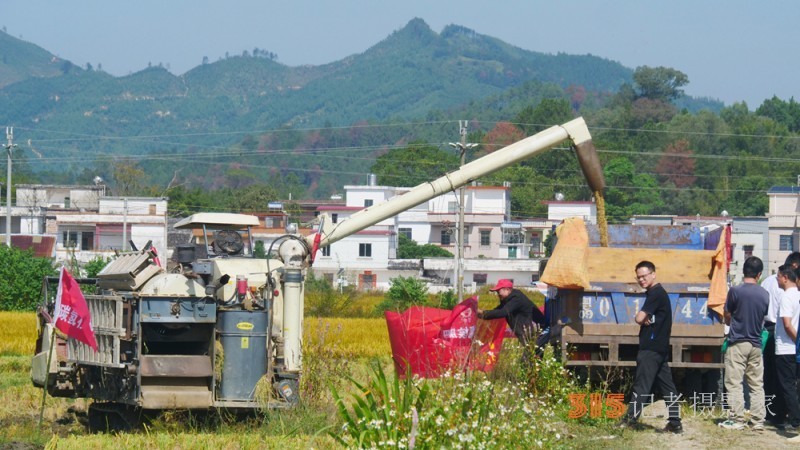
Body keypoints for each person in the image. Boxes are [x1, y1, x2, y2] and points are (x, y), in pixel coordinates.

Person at [618, 261, 683, 433]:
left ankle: (629, 420)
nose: (641, 279)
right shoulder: (658, 294)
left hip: (651, 349)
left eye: (644, 276)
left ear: (653, 274)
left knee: (642, 386)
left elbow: (639, 318)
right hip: (660, 349)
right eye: (638, 277)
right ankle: (675, 423)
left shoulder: (655, 293)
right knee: (668, 387)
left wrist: (641, 316)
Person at [720, 256, 770, 430]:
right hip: (756, 344)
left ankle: (737, 420)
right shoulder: (765, 294)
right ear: (759, 274)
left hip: (737, 342)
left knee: (734, 382)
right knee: (756, 384)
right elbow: (763, 315)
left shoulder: (735, 291)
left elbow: (727, 314)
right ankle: (758, 422)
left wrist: (729, 321)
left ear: (743, 271)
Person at [760, 252, 800, 425]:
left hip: (780, 335)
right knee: (787, 381)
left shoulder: (771, 284)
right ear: (794, 267)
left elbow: (786, 323)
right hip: (785, 336)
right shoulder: (796, 292)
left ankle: (777, 415)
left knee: (775, 379)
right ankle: (782, 415)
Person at [477, 279, 545, 362]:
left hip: (536, 333)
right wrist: (482, 315)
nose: (498, 294)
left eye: (499, 291)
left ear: (507, 290)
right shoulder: (508, 299)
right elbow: (498, 310)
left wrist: (483, 313)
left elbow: (502, 312)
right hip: (528, 334)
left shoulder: (516, 298)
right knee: (533, 360)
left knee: (527, 361)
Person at [773, 265, 800, 429]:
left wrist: (797, 341)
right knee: (793, 385)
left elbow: (787, 324)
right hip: (794, 349)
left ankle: (795, 420)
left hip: (786, 347)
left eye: (778, 276)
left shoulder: (786, 297)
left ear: (785, 277)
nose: (777, 279)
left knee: (787, 385)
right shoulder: (797, 295)